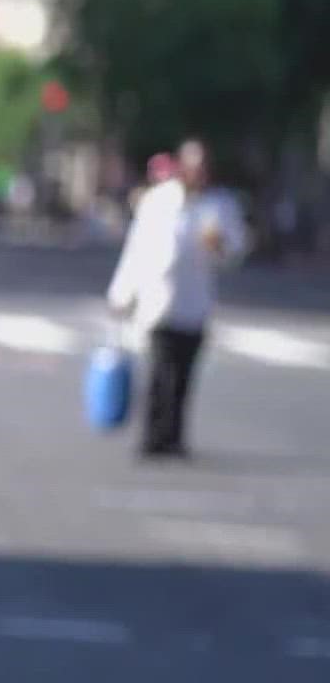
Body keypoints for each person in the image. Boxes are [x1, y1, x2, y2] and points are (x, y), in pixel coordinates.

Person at [106, 138, 248, 458]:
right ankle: (153, 436)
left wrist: (220, 246)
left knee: (183, 374)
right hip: (158, 299)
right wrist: (121, 292)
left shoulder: (219, 205)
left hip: (194, 303)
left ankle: (175, 436)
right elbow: (137, 249)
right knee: (158, 371)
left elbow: (236, 250)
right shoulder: (158, 200)